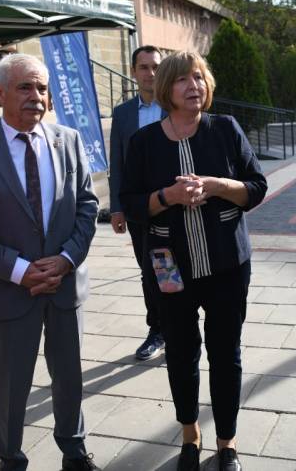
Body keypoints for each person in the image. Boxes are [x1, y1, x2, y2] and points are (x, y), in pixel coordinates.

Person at [120, 51, 267, 471]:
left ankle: (227, 442)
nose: (194, 86)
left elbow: (255, 188)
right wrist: (167, 196)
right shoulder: (143, 142)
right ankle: (190, 434)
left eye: (199, 77)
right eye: (183, 79)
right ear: (166, 87)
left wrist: (220, 185)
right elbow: (130, 204)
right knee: (182, 356)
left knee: (226, 355)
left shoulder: (225, 129)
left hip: (226, 267)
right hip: (170, 269)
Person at [0, 53, 99, 471]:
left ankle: (74, 452)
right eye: (25, 87)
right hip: (8, 292)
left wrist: (67, 259)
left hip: (64, 287)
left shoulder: (68, 140)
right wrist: (20, 270)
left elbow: (87, 206)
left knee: (69, 378)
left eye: (41, 87)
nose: (36, 96)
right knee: (13, 385)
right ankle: (11, 459)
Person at [108, 44, 167, 361]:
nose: (151, 73)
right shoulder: (123, 114)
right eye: (144, 67)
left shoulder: (174, 106)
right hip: (139, 209)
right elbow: (116, 162)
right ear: (134, 72)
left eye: (156, 66)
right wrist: (117, 206)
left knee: (172, 267)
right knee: (149, 270)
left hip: (174, 207)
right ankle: (156, 330)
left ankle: (178, 327)